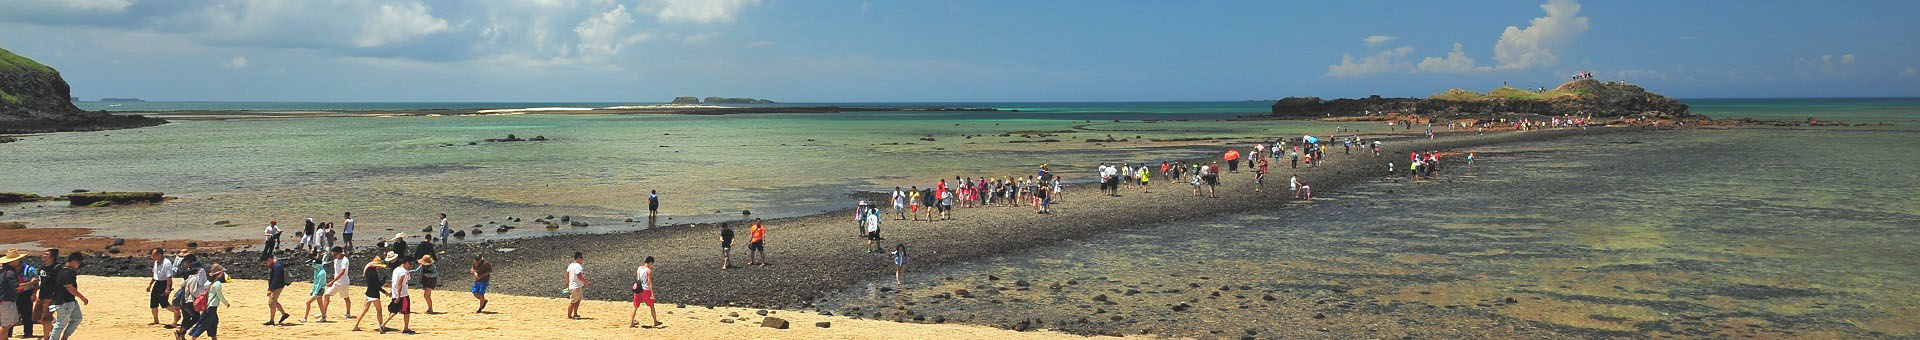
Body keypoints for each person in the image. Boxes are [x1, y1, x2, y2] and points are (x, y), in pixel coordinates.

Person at [46, 253, 86, 340]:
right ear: (74, 261)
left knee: (77, 318)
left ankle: (64, 337)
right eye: (78, 263)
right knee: (60, 324)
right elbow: (69, 287)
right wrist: (82, 297)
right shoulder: (66, 273)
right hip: (64, 302)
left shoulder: (64, 271)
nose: (78, 265)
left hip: (70, 301)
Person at [186, 265, 229, 340]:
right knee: (204, 323)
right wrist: (226, 303)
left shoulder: (211, 283)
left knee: (214, 322)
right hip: (211, 307)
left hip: (209, 306)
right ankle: (193, 338)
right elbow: (220, 295)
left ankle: (214, 337)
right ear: (219, 274)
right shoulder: (217, 284)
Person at [350, 253, 387, 332]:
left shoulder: (368, 272)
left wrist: (382, 282)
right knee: (379, 311)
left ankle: (355, 325)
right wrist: (385, 291)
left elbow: (373, 284)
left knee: (364, 310)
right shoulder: (374, 274)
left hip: (368, 293)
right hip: (374, 294)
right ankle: (381, 326)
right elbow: (377, 286)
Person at [379, 254, 414, 334]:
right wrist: (398, 295)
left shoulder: (396, 269)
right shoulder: (403, 271)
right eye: (410, 264)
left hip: (396, 294)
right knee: (406, 312)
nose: (410, 266)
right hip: (402, 295)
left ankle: (383, 325)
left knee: (394, 311)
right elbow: (399, 283)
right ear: (407, 263)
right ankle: (406, 328)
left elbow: (394, 282)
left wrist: (392, 291)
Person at [147, 248, 179, 328]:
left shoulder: (167, 263)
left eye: (154, 255)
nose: (153, 257)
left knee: (163, 302)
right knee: (153, 301)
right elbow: (155, 275)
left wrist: (168, 288)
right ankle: (156, 320)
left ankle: (177, 312)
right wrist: (150, 285)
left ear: (160, 255)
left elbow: (169, 277)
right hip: (158, 282)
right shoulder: (156, 262)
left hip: (165, 283)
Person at [628, 256, 659, 329]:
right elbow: (649, 282)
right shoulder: (648, 270)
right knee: (651, 306)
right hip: (646, 290)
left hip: (638, 289)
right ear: (650, 263)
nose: (652, 266)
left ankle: (631, 322)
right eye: (652, 264)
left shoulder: (639, 268)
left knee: (635, 306)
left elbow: (637, 278)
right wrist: (652, 294)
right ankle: (655, 321)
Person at [301, 251, 331, 323]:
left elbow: (320, 284)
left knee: (308, 303)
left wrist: (315, 293)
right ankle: (323, 317)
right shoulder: (316, 271)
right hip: (317, 289)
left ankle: (305, 318)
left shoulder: (322, 272)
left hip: (320, 290)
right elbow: (315, 282)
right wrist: (312, 289)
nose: (313, 265)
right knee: (320, 304)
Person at [0, 250, 23, 335]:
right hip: (6, 300)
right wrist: (31, 283)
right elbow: (17, 286)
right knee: (6, 325)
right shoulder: (10, 272)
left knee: (6, 324)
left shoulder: (2, 270)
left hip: (3, 299)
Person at [262, 255, 289, 325]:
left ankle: (271, 320)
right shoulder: (275, 264)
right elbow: (272, 278)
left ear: (270, 259)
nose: (266, 264)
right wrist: (269, 287)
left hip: (277, 286)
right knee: (274, 301)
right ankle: (284, 314)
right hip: (276, 286)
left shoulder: (277, 266)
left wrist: (271, 289)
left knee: (271, 303)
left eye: (266, 262)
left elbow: (276, 279)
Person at [329, 247, 353, 319]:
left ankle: (348, 313)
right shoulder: (336, 260)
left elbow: (342, 272)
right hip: (336, 283)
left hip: (343, 282)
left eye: (335, 254)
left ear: (339, 253)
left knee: (346, 298)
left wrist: (332, 281)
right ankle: (324, 313)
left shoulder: (345, 260)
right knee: (327, 295)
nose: (334, 256)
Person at [565, 252, 589, 320]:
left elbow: (567, 274)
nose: (582, 259)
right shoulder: (578, 266)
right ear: (578, 258)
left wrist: (567, 283)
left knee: (578, 300)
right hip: (575, 286)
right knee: (573, 301)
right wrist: (586, 282)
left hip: (576, 286)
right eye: (581, 257)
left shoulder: (571, 265)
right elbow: (579, 275)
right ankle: (569, 316)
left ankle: (575, 313)